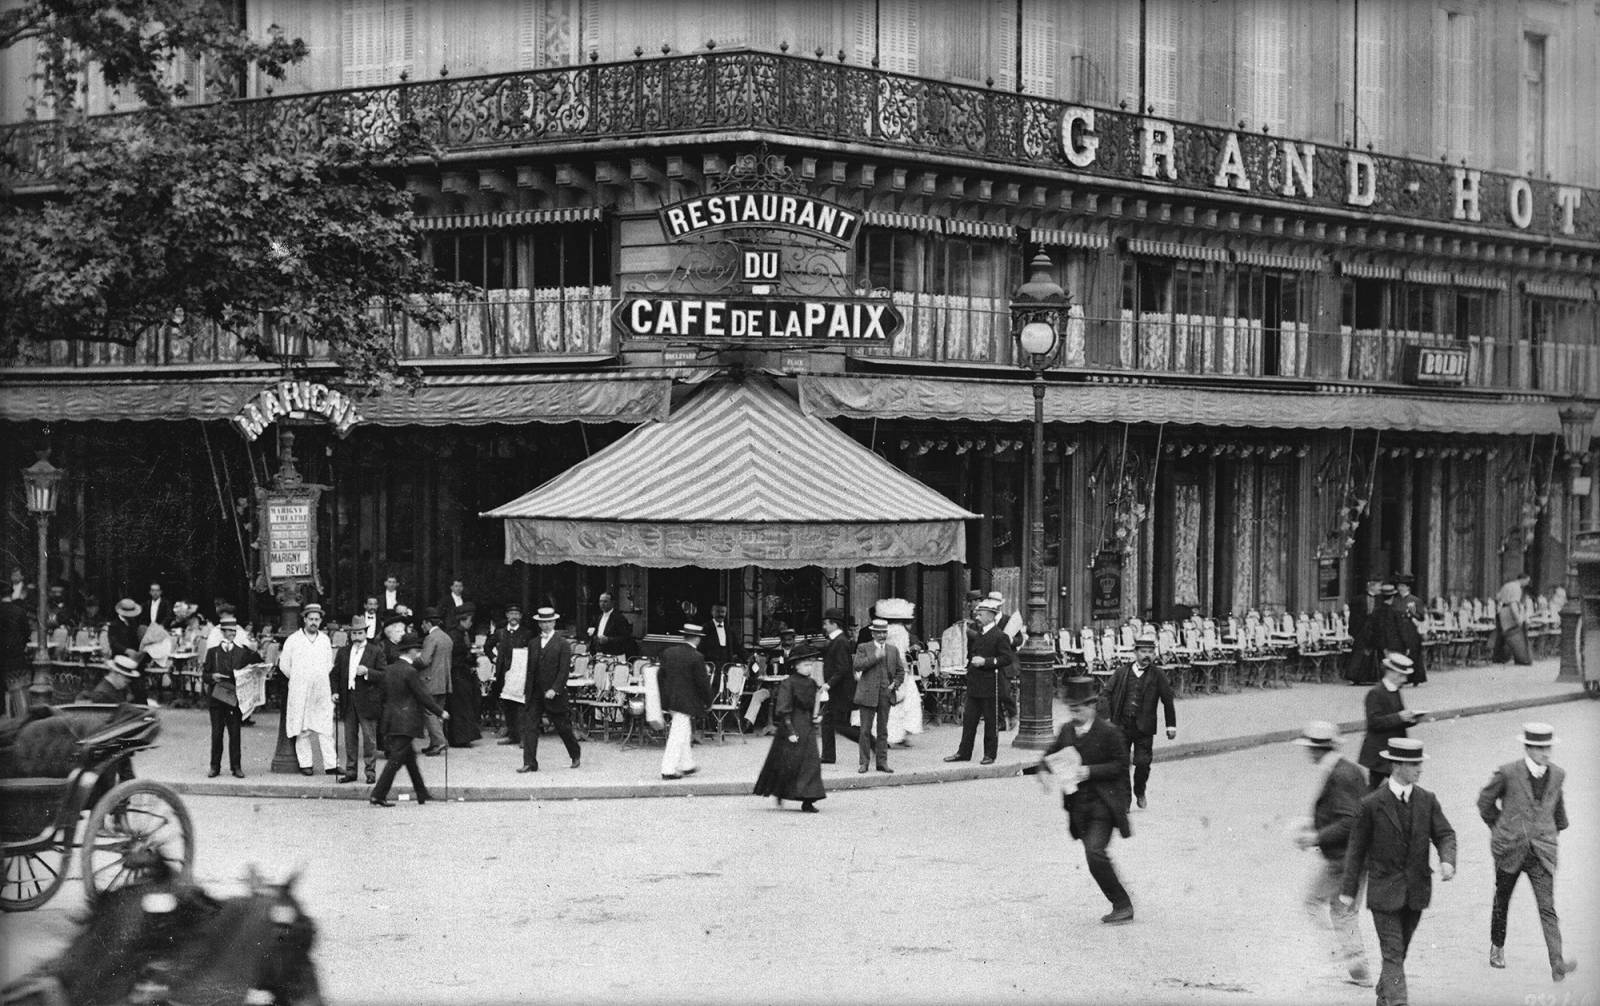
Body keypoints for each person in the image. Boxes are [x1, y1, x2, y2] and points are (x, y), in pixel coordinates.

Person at [1340, 737, 1457, 1006]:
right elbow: (1356, 849)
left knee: (1398, 953)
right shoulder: (1371, 804)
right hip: (1384, 892)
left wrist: (1447, 859)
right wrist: (1348, 891)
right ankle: (1396, 1002)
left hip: (1416, 891)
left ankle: (1385, 995)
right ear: (1396, 765)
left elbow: (1445, 834)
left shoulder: (1427, 800)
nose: (1420, 768)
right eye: (1414, 763)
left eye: (1420, 763)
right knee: (1393, 953)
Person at [1476, 722, 1578, 982]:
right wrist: (1500, 827)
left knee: (1547, 907)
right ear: (1529, 748)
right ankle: (1497, 946)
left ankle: (1557, 962)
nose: (1547, 753)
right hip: (1509, 848)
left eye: (1549, 747)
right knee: (1503, 899)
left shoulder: (1557, 774)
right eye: (1542, 748)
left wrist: (1551, 831)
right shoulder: (1509, 773)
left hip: (1541, 852)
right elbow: (1485, 802)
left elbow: (1558, 809)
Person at [1036, 676, 1134, 925]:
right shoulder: (1067, 730)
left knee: (1094, 852)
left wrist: (1090, 771)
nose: (1074, 713)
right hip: (1078, 807)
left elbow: (1121, 766)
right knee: (1094, 857)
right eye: (1071, 708)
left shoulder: (1109, 732)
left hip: (1104, 804)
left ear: (1091, 706)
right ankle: (1119, 897)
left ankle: (1122, 905)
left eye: (1078, 708)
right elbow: (1050, 755)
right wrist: (1044, 771)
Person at [1291, 720, 1371, 987]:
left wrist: (1316, 836)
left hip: (1343, 858)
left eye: (1309, 748)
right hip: (1356, 856)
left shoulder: (1339, 775)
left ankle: (1344, 956)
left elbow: (1349, 821)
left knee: (1313, 902)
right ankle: (1357, 967)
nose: (1307, 753)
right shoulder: (1347, 769)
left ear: (1317, 749)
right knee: (1342, 910)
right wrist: (1312, 824)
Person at [368, 632, 448, 808]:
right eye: (417, 650)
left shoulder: (389, 669)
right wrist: (440, 712)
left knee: (409, 759)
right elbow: (423, 696)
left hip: (391, 719)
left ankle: (421, 792)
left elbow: (380, 694)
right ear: (411, 651)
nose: (419, 654)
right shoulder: (411, 671)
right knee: (395, 761)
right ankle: (378, 794)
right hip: (407, 721)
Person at [1101, 630, 1177, 810]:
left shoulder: (1158, 675)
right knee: (1122, 764)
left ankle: (1140, 790)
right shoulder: (1122, 672)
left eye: (1150, 652)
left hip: (1145, 728)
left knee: (1142, 763)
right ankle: (1124, 801)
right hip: (1122, 725)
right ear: (1135, 653)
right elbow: (1105, 695)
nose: (1147, 656)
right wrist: (1105, 719)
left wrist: (1171, 726)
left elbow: (1167, 700)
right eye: (1143, 652)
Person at [752, 652, 826, 813]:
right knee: (787, 764)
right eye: (805, 665)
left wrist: (818, 715)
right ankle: (780, 792)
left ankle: (808, 800)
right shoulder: (788, 683)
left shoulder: (812, 683)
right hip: (792, 725)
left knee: (811, 762)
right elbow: (784, 709)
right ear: (796, 666)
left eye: (810, 665)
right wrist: (790, 731)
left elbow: (817, 703)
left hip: (808, 726)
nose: (809, 668)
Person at [943, 599, 1014, 765]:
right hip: (975, 684)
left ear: (991, 616)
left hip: (990, 684)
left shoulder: (1000, 636)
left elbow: (1006, 658)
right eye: (977, 613)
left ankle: (990, 754)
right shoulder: (979, 634)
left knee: (991, 721)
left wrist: (986, 662)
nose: (977, 616)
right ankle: (964, 752)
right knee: (969, 721)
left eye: (981, 614)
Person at [278, 603, 338, 777]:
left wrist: (317, 677)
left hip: (321, 689)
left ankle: (331, 765)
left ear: (320, 621)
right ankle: (306, 764)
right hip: (300, 689)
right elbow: (284, 665)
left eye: (317, 619)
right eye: (310, 619)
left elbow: (329, 664)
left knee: (325, 727)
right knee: (303, 728)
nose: (313, 622)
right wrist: (299, 678)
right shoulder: (294, 640)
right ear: (304, 619)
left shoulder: (324, 640)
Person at [520, 607, 581, 773]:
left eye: (548, 622)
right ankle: (529, 762)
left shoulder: (563, 644)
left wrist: (555, 689)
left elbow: (564, 671)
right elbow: (530, 669)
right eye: (542, 622)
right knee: (530, 727)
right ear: (539, 624)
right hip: (535, 693)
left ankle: (575, 753)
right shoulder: (533, 643)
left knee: (562, 726)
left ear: (554, 622)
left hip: (554, 694)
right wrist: (526, 690)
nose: (545, 625)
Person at [1358, 652, 1424, 792]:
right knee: (1377, 790)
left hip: (1393, 751)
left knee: (1393, 788)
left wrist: (1412, 719)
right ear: (1392, 673)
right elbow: (1374, 722)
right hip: (1380, 753)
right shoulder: (1376, 693)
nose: (1404, 680)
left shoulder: (1394, 691)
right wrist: (1399, 717)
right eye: (1402, 675)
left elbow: (1398, 717)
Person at [330, 614, 383, 784]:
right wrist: (335, 691)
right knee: (349, 738)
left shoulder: (375, 651)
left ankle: (370, 772)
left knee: (369, 738)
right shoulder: (344, 651)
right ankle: (351, 771)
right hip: (348, 698)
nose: (357, 637)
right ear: (350, 635)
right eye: (354, 634)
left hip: (368, 699)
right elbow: (335, 674)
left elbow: (384, 674)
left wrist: (368, 672)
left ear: (366, 633)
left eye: (360, 633)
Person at [202, 614, 255, 779]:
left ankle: (236, 767)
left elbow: (251, 671)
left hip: (234, 698)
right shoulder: (212, 652)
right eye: (228, 631)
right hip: (217, 697)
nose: (232, 633)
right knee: (217, 734)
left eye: (234, 631)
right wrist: (212, 677)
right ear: (222, 632)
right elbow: (204, 674)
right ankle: (214, 767)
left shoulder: (242, 652)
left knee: (235, 733)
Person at [658, 623, 713, 780]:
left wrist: (664, 698)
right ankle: (668, 769)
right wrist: (708, 702)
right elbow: (703, 683)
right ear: (697, 639)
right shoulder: (697, 657)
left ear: (684, 637)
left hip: (671, 700)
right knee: (677, 734)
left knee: (683, 730)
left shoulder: (668, 653)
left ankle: (686, 764)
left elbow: (660, 677)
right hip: (686, 701)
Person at [852, 617, 904, 774]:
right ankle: (864, 763)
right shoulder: (864, 647)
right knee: (865, 730)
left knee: (883, 730)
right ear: (873, 634)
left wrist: (894, 683)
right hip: (867, 694)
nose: (882, 635)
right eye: (879, 633)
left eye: (884, 632)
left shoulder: (892, 650)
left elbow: (900, 671)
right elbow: (857, 665)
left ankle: (882, 762)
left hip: (885, 694)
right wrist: (876, 657)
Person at [877, 598, 923, 748]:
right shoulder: (899, 632)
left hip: (890, 670)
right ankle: (893, 736)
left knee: (898, 704)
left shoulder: (887, 631)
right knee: (904, 704)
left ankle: (895, 735)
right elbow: (899, 655)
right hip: (898, 672)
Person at [487, 603, 532, 745]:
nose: (513, 617)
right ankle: (512, 735)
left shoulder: (527, 633)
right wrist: (494, 659)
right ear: (507, 616)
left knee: (521, 705)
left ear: (520, 617)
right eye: (511, 614)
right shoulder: (500, 632)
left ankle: (524, 737)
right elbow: (487, 646)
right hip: (503, 673)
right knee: (507, 704)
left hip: (520, 673)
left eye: (516, 614)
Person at [817, 608, 857, 764]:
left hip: (841, 691)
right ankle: (828, 756)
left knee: (840, 725)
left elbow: (842, 668)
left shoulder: (840, 641)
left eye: (826, 623)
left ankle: (870, 741)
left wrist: (828, 684)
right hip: (838, 691)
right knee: (828, 722)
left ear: (834, 624)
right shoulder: (837, 640)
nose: (824, 627)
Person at [444, 603, 482, 748]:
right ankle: (460, 737)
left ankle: (463, 736)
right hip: (458, 673)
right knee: (460, 705)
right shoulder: (454, 634)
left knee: (465, 703)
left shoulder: (462, 633)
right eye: (470, 620)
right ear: (464, 620)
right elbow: (456, 654)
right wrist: (470, 655)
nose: (471, 623)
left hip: (463, 672)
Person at [415, 607, 451, 757]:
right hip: (444, 681)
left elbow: (424, 660)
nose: (422, 627)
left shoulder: (430, 638)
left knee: (429, 712)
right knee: (438, 713)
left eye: (423, 624)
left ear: (428, 623)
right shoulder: (446, 637)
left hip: (430, 680)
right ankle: (434, 743)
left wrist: (412, 659)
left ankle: (440, 741)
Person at [108, 598, 148, 705]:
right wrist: (126, 650)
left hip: (134, 659)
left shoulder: (133, 623)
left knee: (139, 685)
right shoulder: (114, 625)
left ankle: (142, 706)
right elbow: (113, 643)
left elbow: (136, 639)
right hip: (120, 659)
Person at [1392, 574, 1429, 686]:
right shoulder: (1395, 600)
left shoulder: (1415, 600)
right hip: (1398, 629)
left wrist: (1414, 614)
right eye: (1399, 586)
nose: (1400, 588)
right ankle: (1401, 678)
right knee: (1400, 653)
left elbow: (1421, 617)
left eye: (1403, 586)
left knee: (1413, 653)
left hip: (1411, 630)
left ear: (1408, 588)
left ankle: (1415, 678)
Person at [1493, 571, 1534, 665]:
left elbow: (1497, 597)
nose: (1527, 584)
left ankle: (1498, 657)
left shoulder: (1506, 585)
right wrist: (1518, 617)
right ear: (1523, 580)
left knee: (1501, 635)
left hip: (1501, 611)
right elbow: (1513, 604)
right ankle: (1518, 656)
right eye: (1527, 581)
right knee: (1513, 635)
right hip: (1509, 612)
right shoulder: (1517, 588)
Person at [587, 591, 634, 657]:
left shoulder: (619, 618)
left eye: (605, 601)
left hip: (614, 655)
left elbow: (626, 638)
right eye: (600, 601)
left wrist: (608, 640)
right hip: (599, 655)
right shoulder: (598, 618)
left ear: (612, 603)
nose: (602, 604)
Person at [698, 602, 742, 667]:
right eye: (718, 611)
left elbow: (738, 647)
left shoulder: (729, 629)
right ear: (712, 612)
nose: (720, 614)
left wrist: (749, 658)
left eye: (723, 612)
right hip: (711, 666)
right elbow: (700, 649)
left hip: (727, 666)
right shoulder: (705, 628)